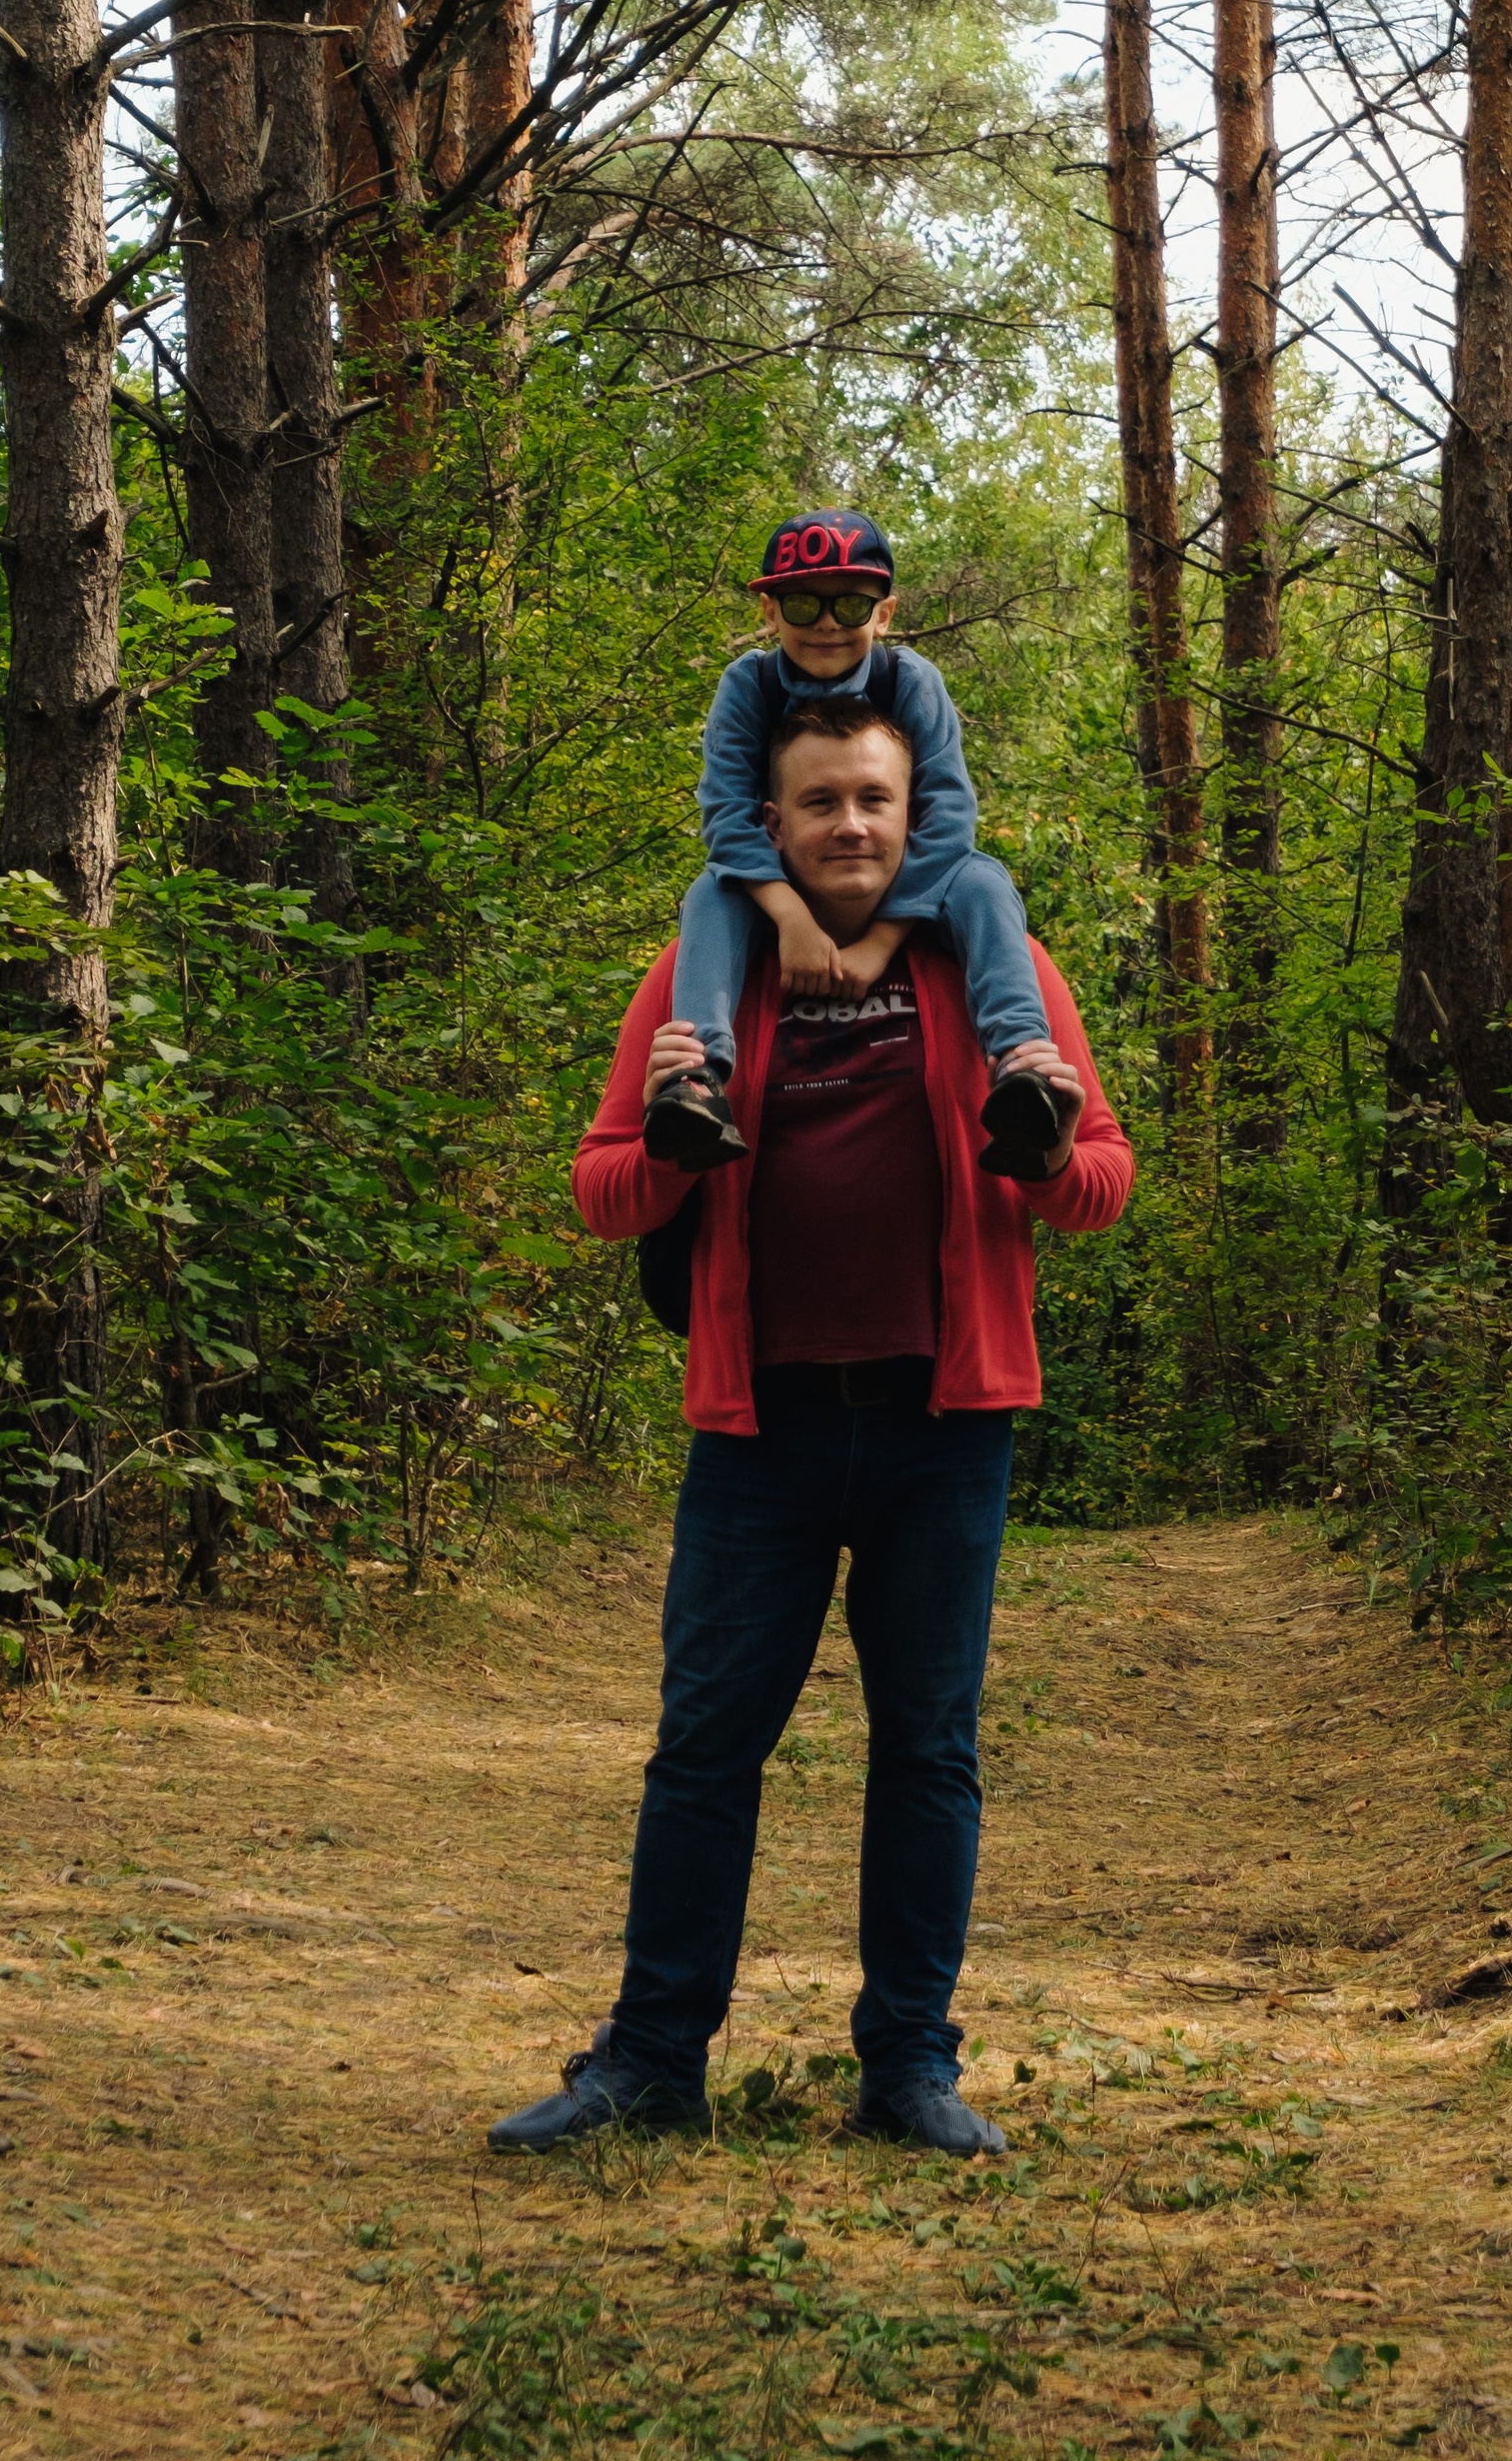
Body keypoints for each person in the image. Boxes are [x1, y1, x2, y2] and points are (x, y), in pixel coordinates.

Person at [488, 685, 1132, 2160]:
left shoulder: (995, 963)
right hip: (758, 1431)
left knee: (929, 1751)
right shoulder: (704, 973)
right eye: (821, 802)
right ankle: (652, 2063)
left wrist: (1033, 1147)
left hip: (941, 1427)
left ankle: (909, 2067)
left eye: (875, 801)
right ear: (768, 823)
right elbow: (601, 1196)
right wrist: (659, 1139)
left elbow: (1099, 1183)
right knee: (705, 1750)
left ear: (919, 821)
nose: (850, 824)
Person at [646, 508, 1065, 1187]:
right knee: (708, 894)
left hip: (911, 878)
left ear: (885, 612)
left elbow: (949, 814)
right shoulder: (748, 686)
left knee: (985, 881)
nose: (828, 624)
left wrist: (882, 942)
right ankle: (693, 1081)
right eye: (803, 602)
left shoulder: (910, 682)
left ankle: (1022, 1067)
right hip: (783, 878)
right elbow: (726, 813)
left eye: (850, 604)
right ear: (770, 610)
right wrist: (790, 919)